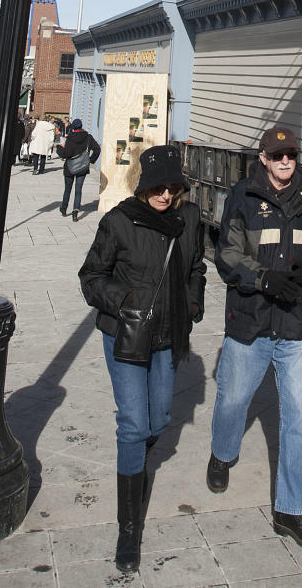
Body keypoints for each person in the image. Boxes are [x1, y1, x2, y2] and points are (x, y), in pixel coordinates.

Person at [207, 125, 302, 550]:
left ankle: (291, 510)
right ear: (262, 157)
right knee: (233, 399)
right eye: (278, 155)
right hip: (251, 321)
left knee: (297, 416)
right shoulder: (242, 197)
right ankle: (223, 454)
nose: (286, 161)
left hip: (295, 324)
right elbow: (227, 255)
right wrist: (264, 280)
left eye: (291, 154)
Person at [79, 144, 205, 574]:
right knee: (133, 426)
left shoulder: (189, 221)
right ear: (142, 185)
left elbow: (196, 269)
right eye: (157, 187)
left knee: (158, 421)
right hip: (128, 337)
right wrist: (124, 299)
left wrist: (192, 305)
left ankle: (137, 463)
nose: (165, 196)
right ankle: (128, 527)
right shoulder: (118, 222)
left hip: (170, 337)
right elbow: (91, 277)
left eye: (173, 187)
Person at [56, 117, 101, 220]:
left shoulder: (69, 138)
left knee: (67, 189)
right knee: (78, 189)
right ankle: (75, 210)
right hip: (82, 167)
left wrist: (59, 148)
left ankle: (64, 208)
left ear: (73, 127)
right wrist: (91, 160)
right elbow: (97, 149)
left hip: (69, 167)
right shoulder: (88, 137)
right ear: (81, 126)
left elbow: (64, 154)